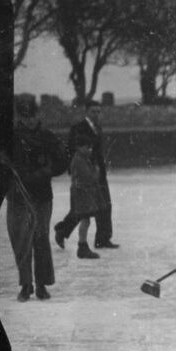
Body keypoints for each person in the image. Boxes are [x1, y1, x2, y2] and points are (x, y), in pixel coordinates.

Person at [5, 95, 69, 300]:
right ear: (19, 116)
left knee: (40, 239)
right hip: (18, 196)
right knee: (21, 241)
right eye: (25, 116)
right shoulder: (9, 138)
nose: (29, 120)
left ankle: (42, 284)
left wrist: (47, 170)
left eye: (32, 115)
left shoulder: (47, 137)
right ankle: (26, 284)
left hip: (41, 196)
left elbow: (62, 161)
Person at [54, 100, 118, 249]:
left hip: (98, 173)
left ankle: (103, 238)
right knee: (82, 208)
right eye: (93, 111)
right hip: (84, 173)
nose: (96, 114)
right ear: (87, 112)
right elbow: (71, 150)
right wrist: (76, 170)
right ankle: (62, 230)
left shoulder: (97, 128)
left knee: (104, 204)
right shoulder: (78, 128)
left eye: (98, 111)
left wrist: (101, 168)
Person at [68, 133, 107, 260]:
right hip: (82, 194)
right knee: (85, 220)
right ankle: (82, 246)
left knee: (86, 220)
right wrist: (96, 171)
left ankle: (83, 245)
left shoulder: (81, 158)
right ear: (79, 147)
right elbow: (89, 177)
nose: (89, 150)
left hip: (83, 193)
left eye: (90, 148)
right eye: (86, 147)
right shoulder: (79, 160)